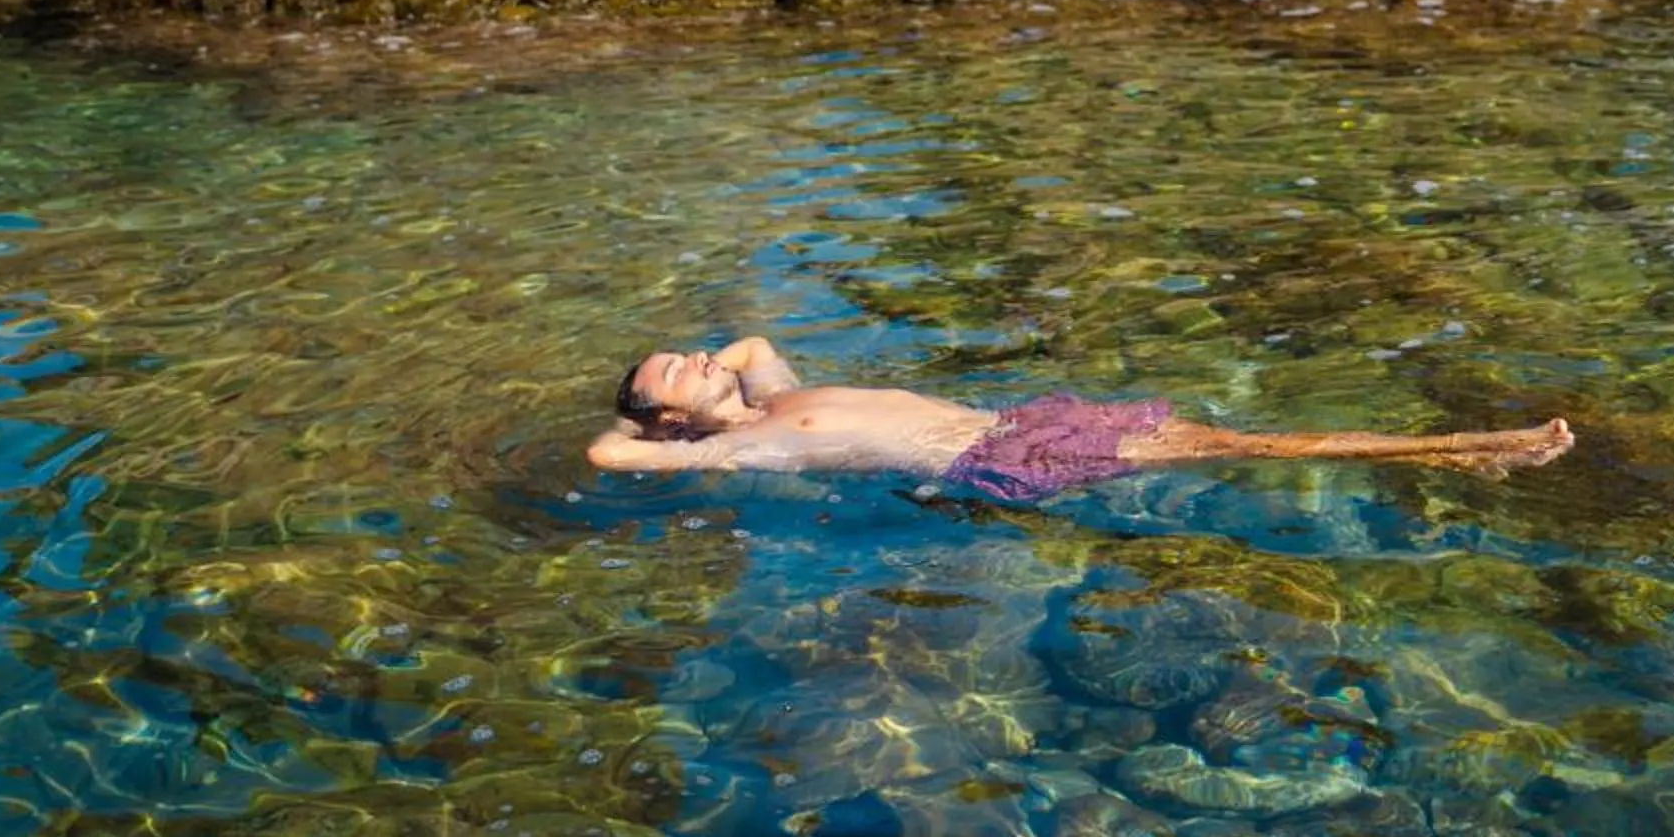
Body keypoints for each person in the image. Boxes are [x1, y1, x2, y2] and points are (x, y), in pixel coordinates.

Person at [588, 336, 1574, 502]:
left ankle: (1446, 462)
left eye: (684, 348)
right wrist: (678, 427)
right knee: (1244, 445)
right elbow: (606, 452)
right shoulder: (741, 448)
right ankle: (1480, 449)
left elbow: (754, 343)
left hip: (1022, 425)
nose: (694, 357)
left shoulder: (769, 394)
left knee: (1234, 446)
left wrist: (701, 381)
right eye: (670, 372)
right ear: (669, 422)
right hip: (1005, 459)